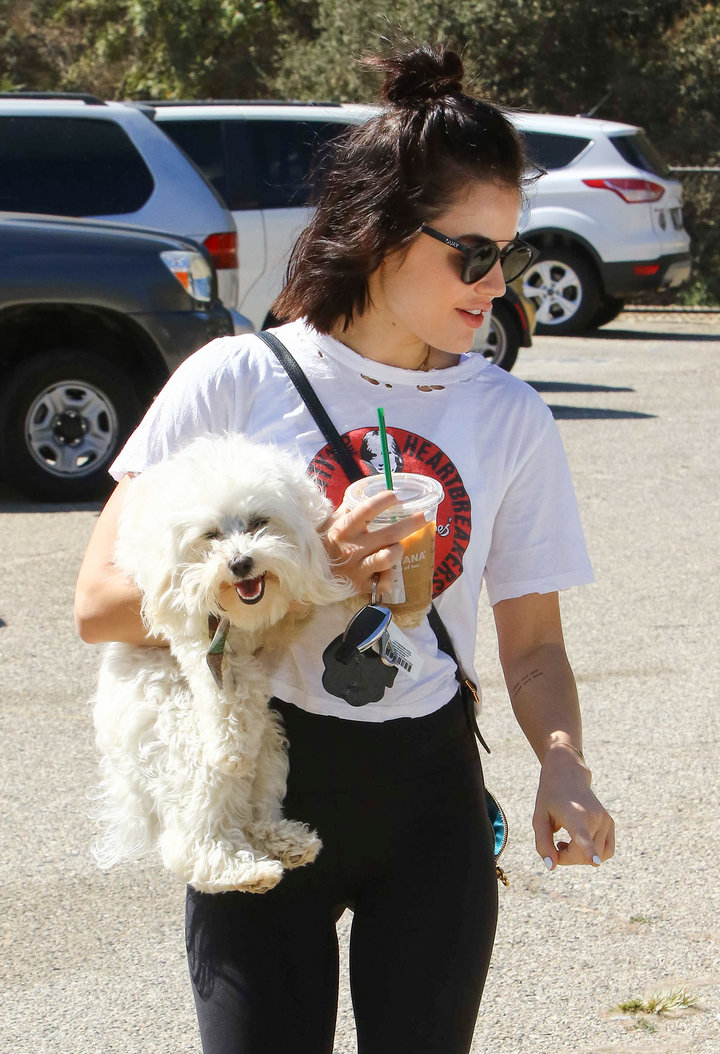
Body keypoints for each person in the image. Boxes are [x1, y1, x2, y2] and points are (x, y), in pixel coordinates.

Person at [75, 43, 615, 1054]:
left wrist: (564, 766)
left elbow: (533, 641)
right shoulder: (234, 380)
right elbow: (101, 602)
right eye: (472, 254)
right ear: (381, 235)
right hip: (265, 780)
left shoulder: (508, 415)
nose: (497, 284)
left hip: (429, 800)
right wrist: (304, 565)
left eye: (507, 252)